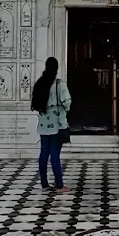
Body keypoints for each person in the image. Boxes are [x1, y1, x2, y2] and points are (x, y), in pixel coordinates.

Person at [30, 56, 71, 192]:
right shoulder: (59, 84)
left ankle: (44, 183)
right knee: (55, 155)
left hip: (43, 124)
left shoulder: (40, 83)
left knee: (43, 154)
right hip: (56, 124)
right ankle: (59, 185)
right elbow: (67, 103)